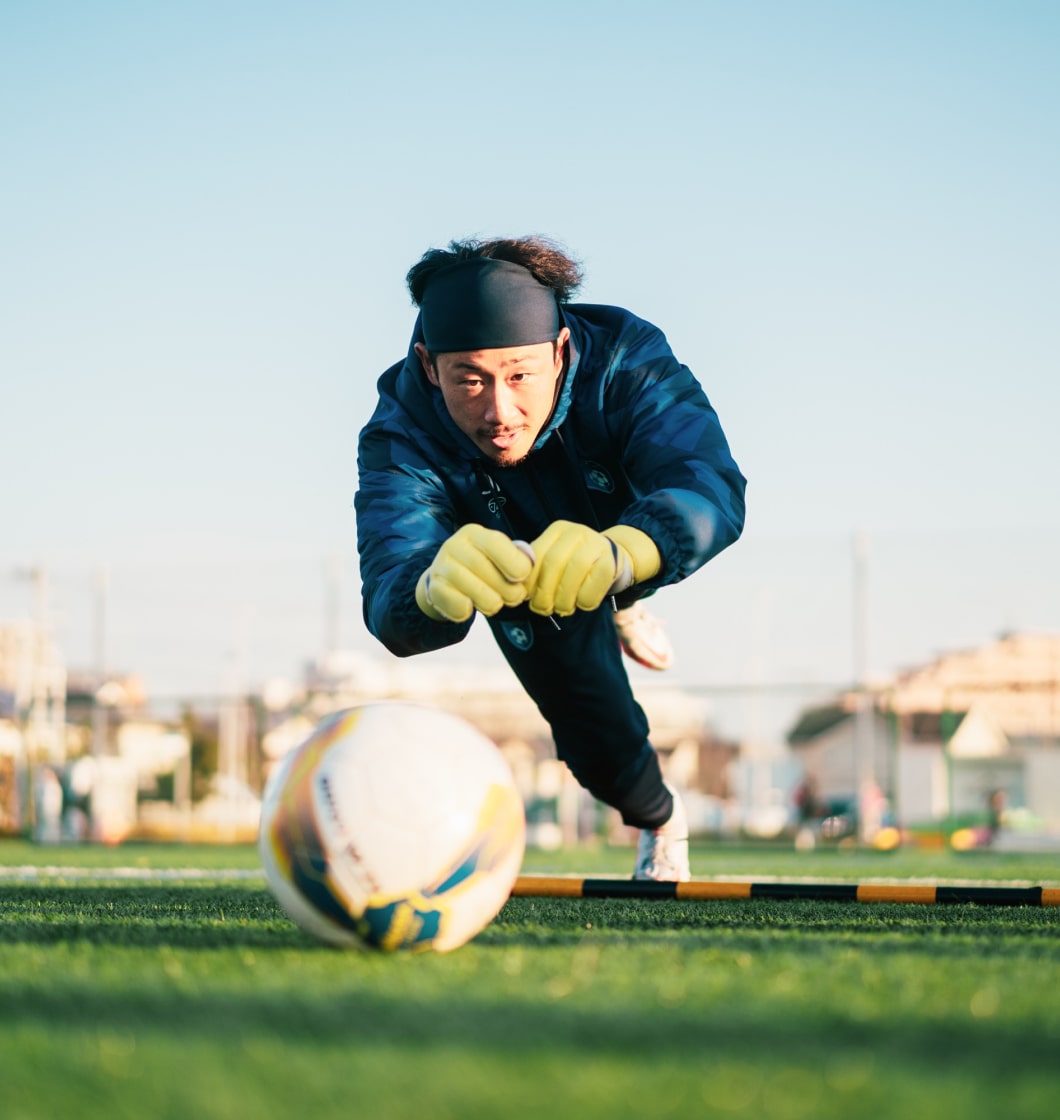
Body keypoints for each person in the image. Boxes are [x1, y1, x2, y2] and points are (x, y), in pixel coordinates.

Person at [355, 237, 746, 880]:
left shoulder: (627, 356)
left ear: (560, 350)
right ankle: (658, 818)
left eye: (519, 375)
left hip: (616, 518)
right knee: (594, 737)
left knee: (631, 548)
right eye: (470, 379)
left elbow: (705, 480)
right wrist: (427, 590)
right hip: (518, 567)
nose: (500, 411)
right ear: (429, 367)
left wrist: (624, 557)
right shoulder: (401, 430)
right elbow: (390, 576)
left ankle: (628, 598)